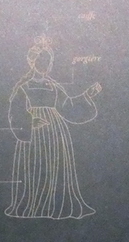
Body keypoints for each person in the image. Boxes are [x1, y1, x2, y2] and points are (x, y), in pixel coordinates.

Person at [6, 38, 101, 219]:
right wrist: (30, 122)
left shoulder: (54, 87)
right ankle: (34, 205)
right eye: (42, 60)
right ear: (32, 62)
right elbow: (15, 112)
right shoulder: (23, 88)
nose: (46, 65)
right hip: (33, 135)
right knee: (36, 166)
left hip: (55, 133)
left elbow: (68, 106)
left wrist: (87, 95)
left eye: (48, 61)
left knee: (54, 167)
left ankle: (54, 205)